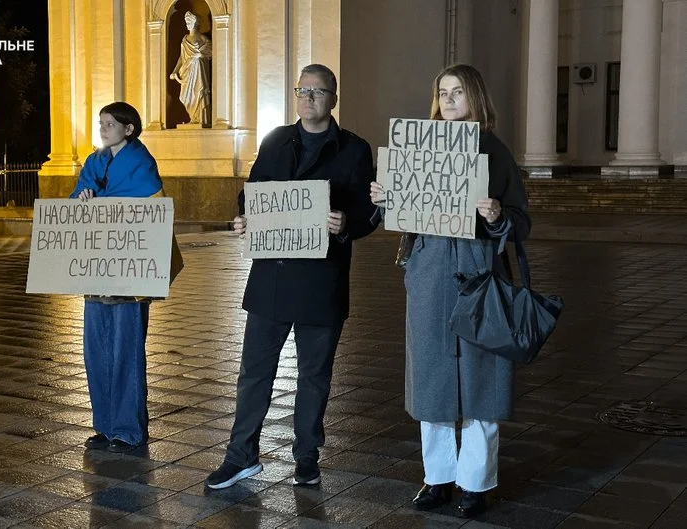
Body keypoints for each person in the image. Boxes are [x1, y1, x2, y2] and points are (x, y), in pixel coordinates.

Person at [205, 64, 380, 489]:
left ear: (333, 99)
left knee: (314, 375)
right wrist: (245, 217)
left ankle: (306, 456)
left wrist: (346, 223)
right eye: (302, 90)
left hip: (322, 280)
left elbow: (370, 210)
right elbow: (252, 193)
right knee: (254, 373)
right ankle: (240, 455)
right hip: (272, 277)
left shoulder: (354, 149)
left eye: (317, 91)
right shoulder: (275, 140)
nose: (308, 97)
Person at [370, 64, 531, 518]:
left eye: (458, 91)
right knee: (431, 378)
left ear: (475, 96)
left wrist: (497, 215)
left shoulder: (495, 152)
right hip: (428, 274)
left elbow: (521, 222)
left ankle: (475, 483)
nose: (449, 100)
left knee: (482, 378)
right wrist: (385, 198)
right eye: (442, 92)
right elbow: (401, 215)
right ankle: (437, 477)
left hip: (479, 274)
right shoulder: (417, 149)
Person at [70, 102, 163, 453]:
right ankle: (105, 427)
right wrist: (83, 198)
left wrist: (100, 200)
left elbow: (147, 206)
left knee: (126, 353)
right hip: (97, 270)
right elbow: (76, 201)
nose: (103, 128)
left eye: (110, 123)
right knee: (96, 353)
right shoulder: (94, 162)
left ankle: (129, 430)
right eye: (101, 123)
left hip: (129, 276)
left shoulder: (141, 162)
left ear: (129, 129)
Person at [170, 11, 212, 126]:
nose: (187, 24)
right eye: (186, 22)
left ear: (196, 23)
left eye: (190, 22)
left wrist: (199, 55)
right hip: (187, 71)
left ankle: (201, 119)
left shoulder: (203, 38)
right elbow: (181, 57)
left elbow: (210, 52)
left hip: (198, 70)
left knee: (199, 93)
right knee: (186, 96)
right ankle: (193, 118)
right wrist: (175, 71)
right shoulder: (185, 39)